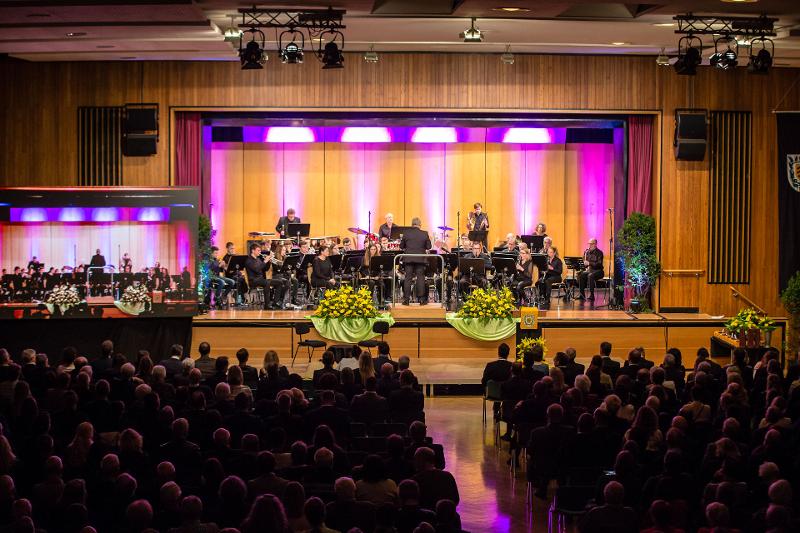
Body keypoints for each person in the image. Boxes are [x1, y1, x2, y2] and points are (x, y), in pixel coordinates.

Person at [400, 217, 432, 306]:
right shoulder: (424, 233)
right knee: (420, 278)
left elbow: (401, 246)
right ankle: (421, 300)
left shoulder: (406, 233)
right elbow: (429, 247)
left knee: (408, 278)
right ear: (420, 225)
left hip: (408, 258)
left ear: (412, 224)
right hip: (420, 259)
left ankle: (406, 300)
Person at [244, 244, 284, 310]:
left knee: (279, 282)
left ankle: (275, 302)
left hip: (261, 279)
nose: (260, 252)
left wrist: (268, 262)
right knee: (266, 283)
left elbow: (265, 269)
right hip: (253, 281)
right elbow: (257, 269)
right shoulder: (249, 260)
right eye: (258, 250)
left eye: (260, 250)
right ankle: (267, 305)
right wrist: (265, 261)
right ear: (253, 251)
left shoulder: (258, 259)